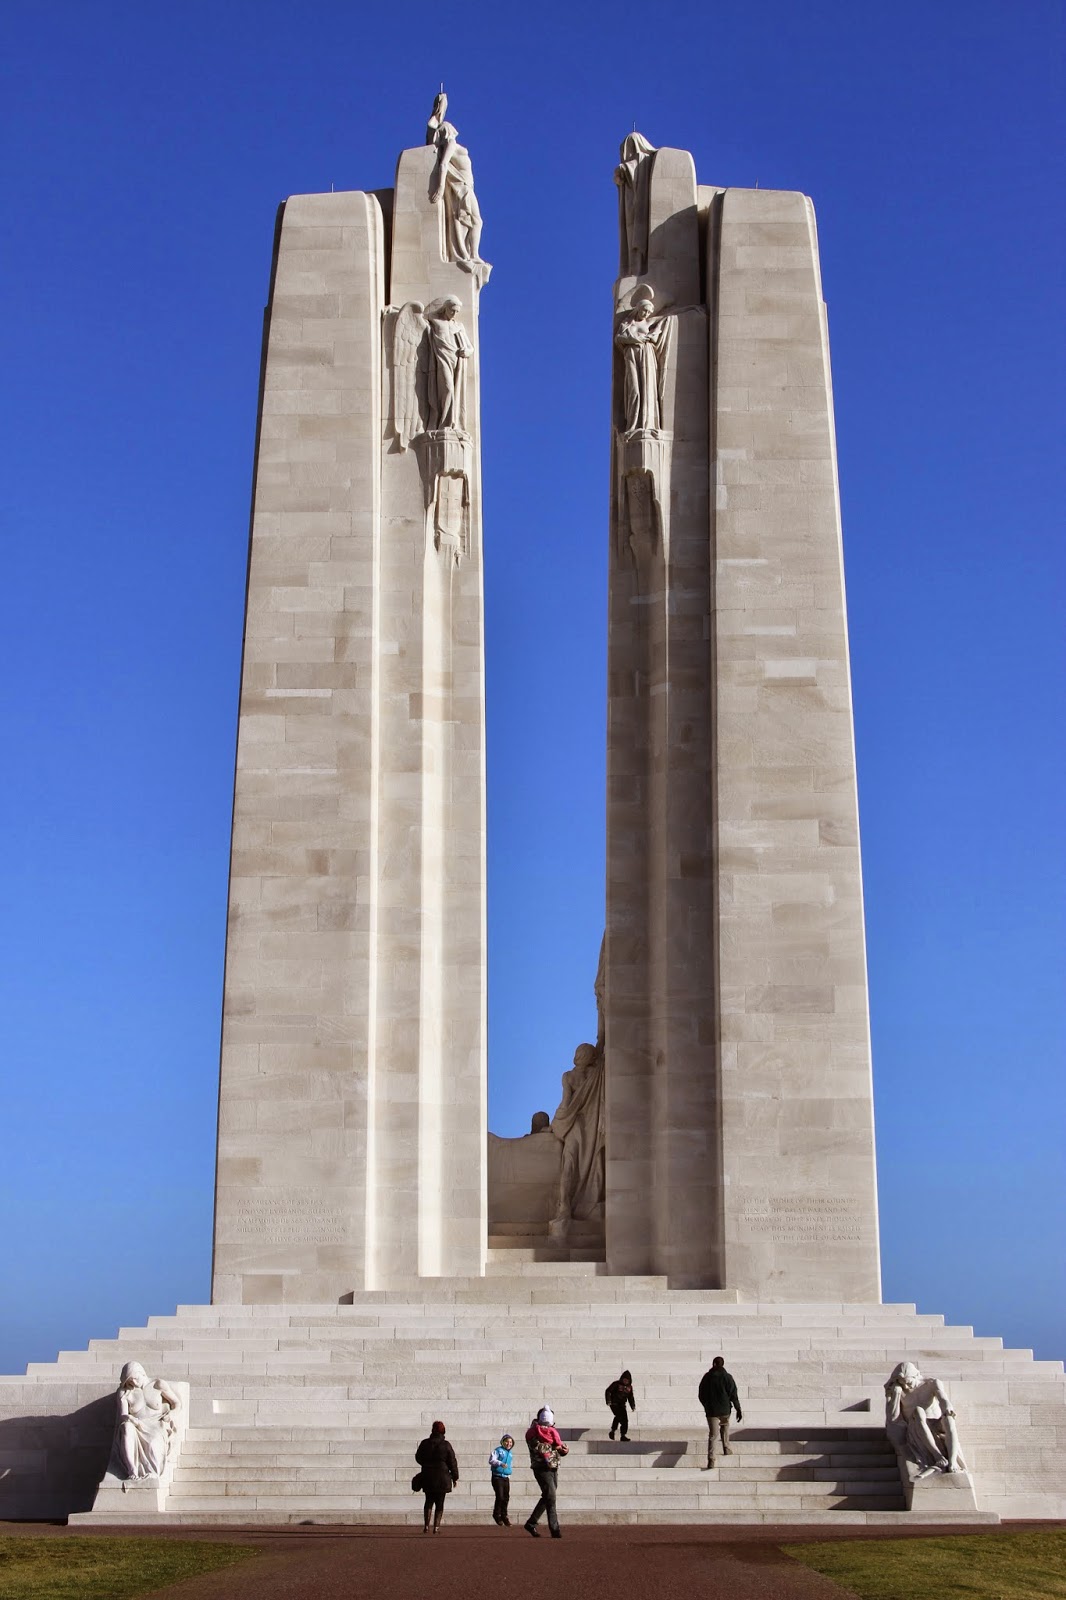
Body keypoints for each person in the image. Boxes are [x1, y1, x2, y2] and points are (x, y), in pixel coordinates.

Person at [108, 1361, 182, 1480]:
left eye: (135, 1378)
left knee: (152, 1443)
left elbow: (176, 1403)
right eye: (130, 1381)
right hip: (136, 1424)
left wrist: (171, 1414)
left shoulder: (158, 1384)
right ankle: (132, 1471)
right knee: (126, 1427)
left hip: (156, 1424)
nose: (134, 1382)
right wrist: (131, 1419)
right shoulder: (125, 1392)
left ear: (141, 1373)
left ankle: (152, 1472)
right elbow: (123, 1415)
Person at [524, 1405, 568, 1538]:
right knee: (551, 1496)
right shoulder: (532, 1433)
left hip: (553, 1466)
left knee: (548, 1496)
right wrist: (557, 1447)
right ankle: (555, 1529)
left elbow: (556, 1446)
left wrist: (564, 1450)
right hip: (541, 1467)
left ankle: (531, 1523)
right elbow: (540, 1448)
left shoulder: (550, 1431)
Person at [698, 1356, 743, 1468]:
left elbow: (701, 1394)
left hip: (711, 1411)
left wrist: (706, 1405)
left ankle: (711, 1459)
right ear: (722, 1365)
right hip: (725, 1409)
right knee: (725, 1426)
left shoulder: (707, 1377)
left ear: (713, 1364)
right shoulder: (727, 1377)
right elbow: (733, 1394)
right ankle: (726, 1448)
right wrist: (738, 1409)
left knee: (713, 1435)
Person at [415, 1419, 459, 1534]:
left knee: (428, 1501)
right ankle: (436, 1527)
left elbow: (418, 1457)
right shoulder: (446, 1445)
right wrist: (455, 1477)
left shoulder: (425, 1443)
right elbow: (452, 1462)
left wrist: (426, 1464)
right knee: (440, 1503)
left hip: (428, 1475)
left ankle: (426, 1526)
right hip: (442, 1477)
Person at [488, 1432, 514, 1525]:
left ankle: (504, 1515)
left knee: (506, 1497)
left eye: (510, 1442)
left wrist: (508, 1474)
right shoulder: (498, 1450)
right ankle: (496, 1514)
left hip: (505, 1477)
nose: (508, 1444)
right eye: (507, 1442)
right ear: (503, 1442)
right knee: (500, 1496)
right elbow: (491, 1460)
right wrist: (500, 1463)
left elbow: (509, 1465)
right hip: (497, 1476)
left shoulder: (510, 1454)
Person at [605, 1370, 636, 1441]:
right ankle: (613, 1431)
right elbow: (608, 1391)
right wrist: (608, 1400)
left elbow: (630, 1397)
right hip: (614, 1404)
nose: (625, 1381)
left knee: (625, 1420)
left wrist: (633, 1406)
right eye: (624, 1380)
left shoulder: (629, 1387)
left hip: (622, 1405)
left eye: (627, 1380)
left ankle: (621, 1435)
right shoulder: (616, 1384)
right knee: (619, 1416)